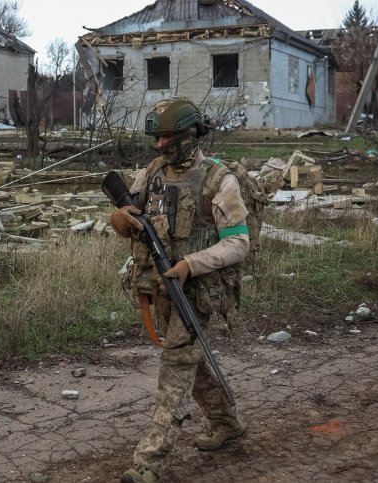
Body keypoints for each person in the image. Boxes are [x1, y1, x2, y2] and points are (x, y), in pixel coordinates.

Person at [109, 98, 250, 483]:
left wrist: (191, 265)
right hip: (158, 286)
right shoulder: (153, 172)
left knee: (175, 366)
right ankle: (227, 422)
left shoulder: (219, 180)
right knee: (192, 360)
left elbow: (238, 242)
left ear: (190, 135)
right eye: (157, 137)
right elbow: (128, 217)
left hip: (198, 291)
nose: (160, 145)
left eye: (168, 137)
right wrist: (119, 217)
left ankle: (148, 462)